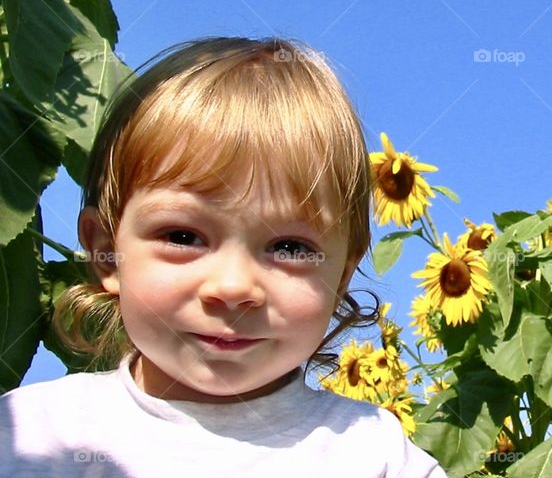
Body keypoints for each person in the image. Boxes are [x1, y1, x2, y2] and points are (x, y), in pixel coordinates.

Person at [0, 37, 447, 477]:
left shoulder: (374, 454)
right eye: (182, 236)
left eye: (289, 247)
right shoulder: (32, 436)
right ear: (107, 254)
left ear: (342, 277)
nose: (233, 288)